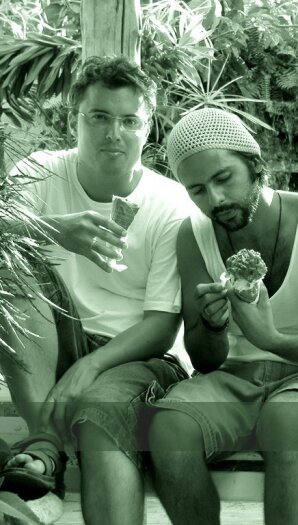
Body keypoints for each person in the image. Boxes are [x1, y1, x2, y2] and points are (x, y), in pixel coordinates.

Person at [0, 55, 191, 524]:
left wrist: (91, 365)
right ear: (75, 120)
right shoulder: (40, 171)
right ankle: (46, 440)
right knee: (9, 259)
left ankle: (43, 452)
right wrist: (51, 229)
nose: (113, 133)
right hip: (49, 342)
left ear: (148, 128)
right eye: (100, 117)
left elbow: (162, 325)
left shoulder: (171, 204)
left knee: (100, 415)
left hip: (134, 356)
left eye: (129, 121)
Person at [147, 107, 298, 525]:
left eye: (224, 178)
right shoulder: (193, 234)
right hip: (232, 379)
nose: (215, 200)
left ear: (256, 165)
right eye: (197, 190)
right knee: (168, 429)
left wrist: (272, 339)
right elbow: (204, 360)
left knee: (286, 419)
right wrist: (213, 324)